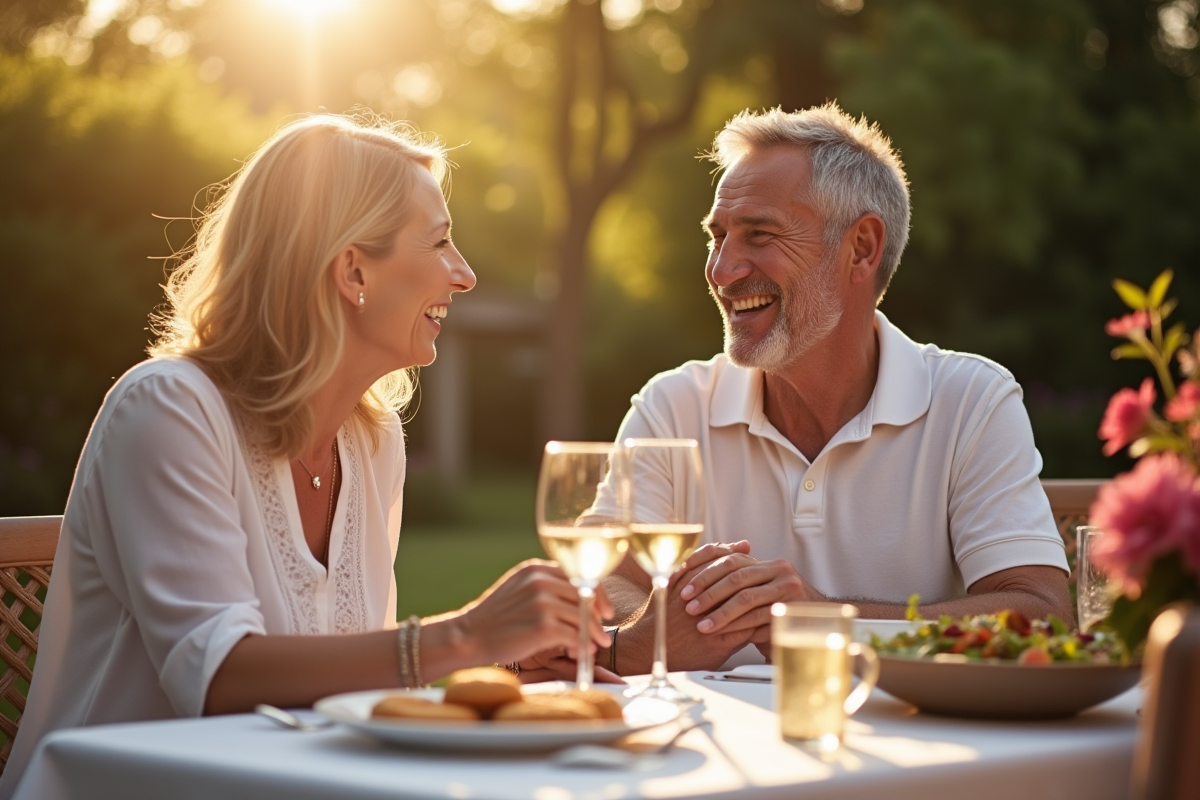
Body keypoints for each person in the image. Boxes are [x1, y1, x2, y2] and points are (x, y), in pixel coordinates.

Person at [0, 114, 612, 796]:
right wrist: (466, 636)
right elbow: (220, 679)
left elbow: (352, 695)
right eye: (439, 242)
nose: (464, 275)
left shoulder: (373, 440)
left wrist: (501, 667)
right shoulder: (168, 408)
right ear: (353, 269)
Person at [600, 103, 1073, 675]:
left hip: (913, 753)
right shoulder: (672, 405)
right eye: (718, 236)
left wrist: (827, 621)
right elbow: (601, 580)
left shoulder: (972, 402)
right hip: (713, 757)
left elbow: (1041, 614)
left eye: (760, 235)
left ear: (862, 249)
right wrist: (659, 627)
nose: (721, 270)